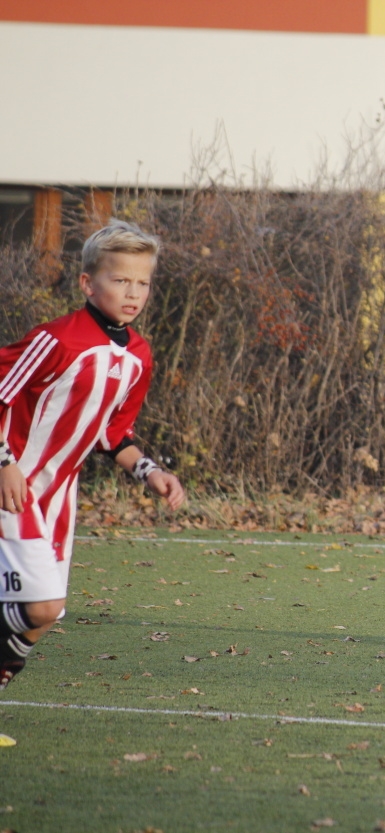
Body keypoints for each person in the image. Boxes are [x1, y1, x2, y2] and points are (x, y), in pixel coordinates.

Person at [0, 219, 185, 694]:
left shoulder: (138, 356)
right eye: (120, 279)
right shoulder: (58, 340)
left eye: (142, 282)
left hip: (57, 500)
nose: (133, 292)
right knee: (40, 605)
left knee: (45, 617)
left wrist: (150, 471)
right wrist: (4, 462)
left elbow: (112, 431)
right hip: (12, 489)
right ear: (87, 283)